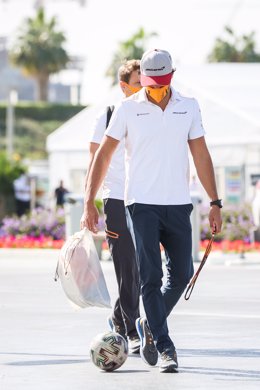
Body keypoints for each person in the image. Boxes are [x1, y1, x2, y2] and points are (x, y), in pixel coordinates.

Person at [82, 49, 222, 373]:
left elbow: (200, 154)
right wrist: (89, 200)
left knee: (182, 275)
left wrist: (215, 202)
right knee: (150, 277)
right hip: (140, 205)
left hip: (178, 203)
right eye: (151, 83)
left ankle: (148, 323)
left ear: (171, 76)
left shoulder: (189, 106)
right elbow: (102, 155)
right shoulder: (127, 109)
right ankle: (166, 347)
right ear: (142, 79)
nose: (156, 89)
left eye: (162, 82)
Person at [80, 60, 142, 353]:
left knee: (142, 267)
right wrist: (88, 205)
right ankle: (131, 329)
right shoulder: (106, 117)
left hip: (144, 199)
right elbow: (93, 163)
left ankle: (119, 318)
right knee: (125, 265)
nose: (145, 87)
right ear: (124, 85)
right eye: (139, 82)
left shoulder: (150, 116)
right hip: (115, 199)